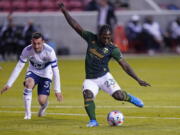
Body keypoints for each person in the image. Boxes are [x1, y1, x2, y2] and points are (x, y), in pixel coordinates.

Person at [57, 1, 150, 127]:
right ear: (99, 35)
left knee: (118, 96)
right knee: (87, 95)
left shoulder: (113, 49)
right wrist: (65, 12)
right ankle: (93, 121)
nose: (106, 40)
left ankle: (130, 98)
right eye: (104, 37)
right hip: (91, 79)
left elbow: (125, 65)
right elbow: (75, 25)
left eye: (109, 37)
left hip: (104, 76)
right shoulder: (91, 38)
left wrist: (138, 79)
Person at [0, 32, 63, 120]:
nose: (36, 46)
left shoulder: (50, 52)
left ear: (43, 42)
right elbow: (19, 66)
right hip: (33, 72)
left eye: (39, 43)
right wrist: (9, 84)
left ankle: (43, 107)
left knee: (42, 101)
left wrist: (57, 90)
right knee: (28, 84)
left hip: (46, 74)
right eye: (34, 43)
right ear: (31, 42)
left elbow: (56, 71)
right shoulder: (27, 50)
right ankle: (27, 115)